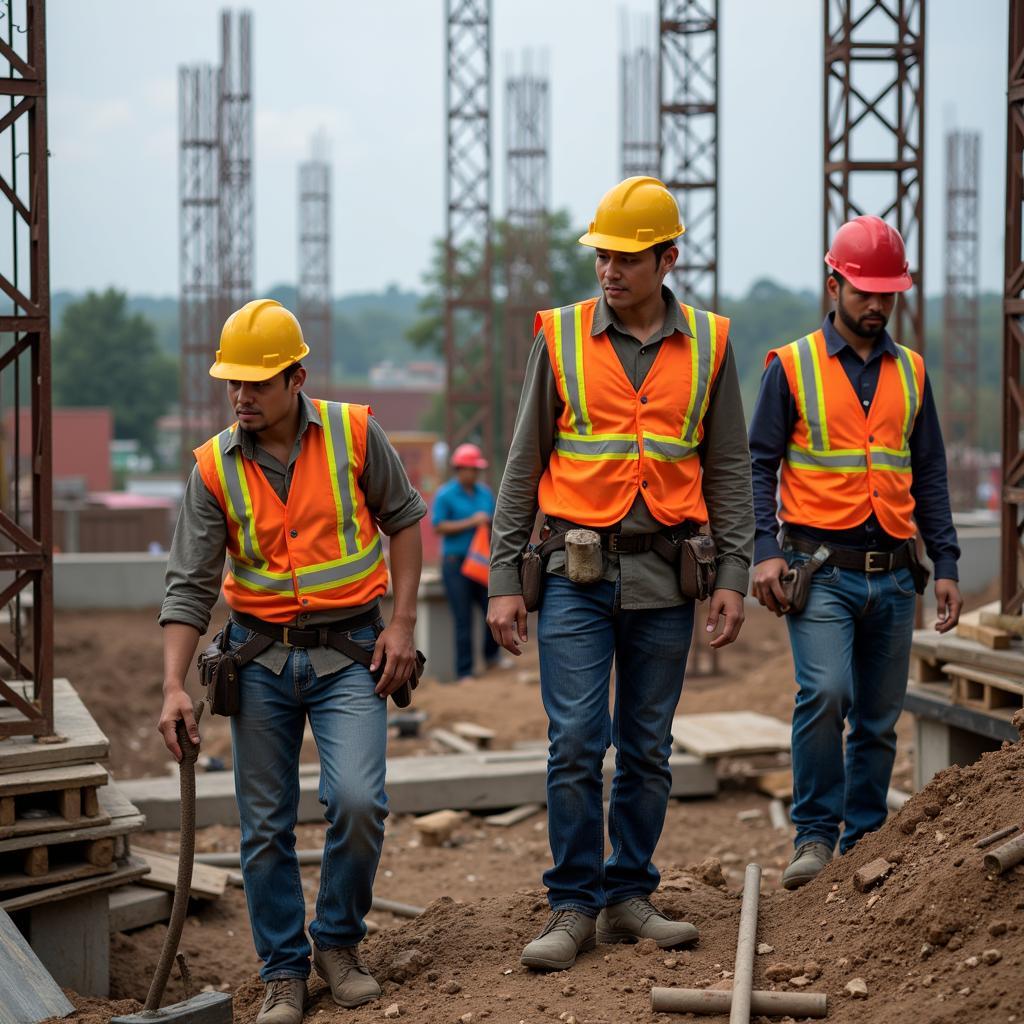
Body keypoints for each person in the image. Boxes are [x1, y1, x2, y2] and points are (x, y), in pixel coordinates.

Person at [487, 177, 754, 971]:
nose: (610, 269)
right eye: (603, 254)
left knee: (646, 747)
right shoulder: (562, 336)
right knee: (575, 741)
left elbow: (730, 467)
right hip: (574, 575)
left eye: (628, 257)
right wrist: (506, 577)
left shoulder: (708, 343)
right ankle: (573, 904)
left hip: (666, 580)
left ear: (668, 258)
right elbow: (522, 461)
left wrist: (733, 572)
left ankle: (629, 893)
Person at [156, 299, 426, 1023]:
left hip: (351, 656)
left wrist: (401, 626)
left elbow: (403, 520)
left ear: (297, 377)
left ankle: (337, 944)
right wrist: (172, 686)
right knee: (265, 825)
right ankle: (283, 970)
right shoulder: (214, 467)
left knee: (359, 802)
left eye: (257, 382)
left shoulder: (355, 434)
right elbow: (190, 583)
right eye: (232, 383)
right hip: (260, 663)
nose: (241, 396)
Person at [748, 216, 963, 890]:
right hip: (820, 573)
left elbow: (928, 471)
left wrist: (948, 561)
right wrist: (762, 550)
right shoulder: (791, 367)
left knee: (877, 717)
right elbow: (757, 465)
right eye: (863, 291)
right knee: (827, 693)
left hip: (896, 576)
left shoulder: (913, 373)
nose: (875, 305)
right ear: (833, 282)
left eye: (887, 294)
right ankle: (814, 835)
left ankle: (866, 834)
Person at [432, 443, 500, 682]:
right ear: (459, 469)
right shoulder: (445, 494)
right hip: (456, 566)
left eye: (475, 469)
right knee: (463, 619)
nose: (473, 473)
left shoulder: (485, 493)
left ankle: (492, 658)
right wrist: (471, 521)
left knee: (492, 612)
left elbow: (494, 524)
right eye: (469, 469)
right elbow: (438, 526)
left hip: (481, 564)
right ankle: (465, 671)